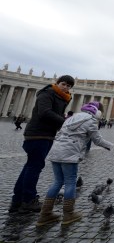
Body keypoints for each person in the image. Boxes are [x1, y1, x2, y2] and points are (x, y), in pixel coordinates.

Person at [36, 102, 114, 226]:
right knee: (70, 182)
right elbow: (98, 140)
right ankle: (69, 214)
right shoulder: (91, 121)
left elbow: (58, 134)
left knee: (57, 182)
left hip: (56, 150)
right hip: (70, 152)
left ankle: (45, 214)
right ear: (97, 112)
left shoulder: (70, 118)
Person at [9, 75, 75, 214]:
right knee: (34, 167)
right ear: (57, 83)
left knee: (31, 166)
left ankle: (18, 201)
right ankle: (28, 200)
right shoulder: (48, 93)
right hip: (38, 134)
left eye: (69, 86)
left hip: (45, 134)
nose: (66, 87)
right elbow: (45, 113)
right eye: (63, 84)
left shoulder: (62, 97)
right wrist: (66, 122)